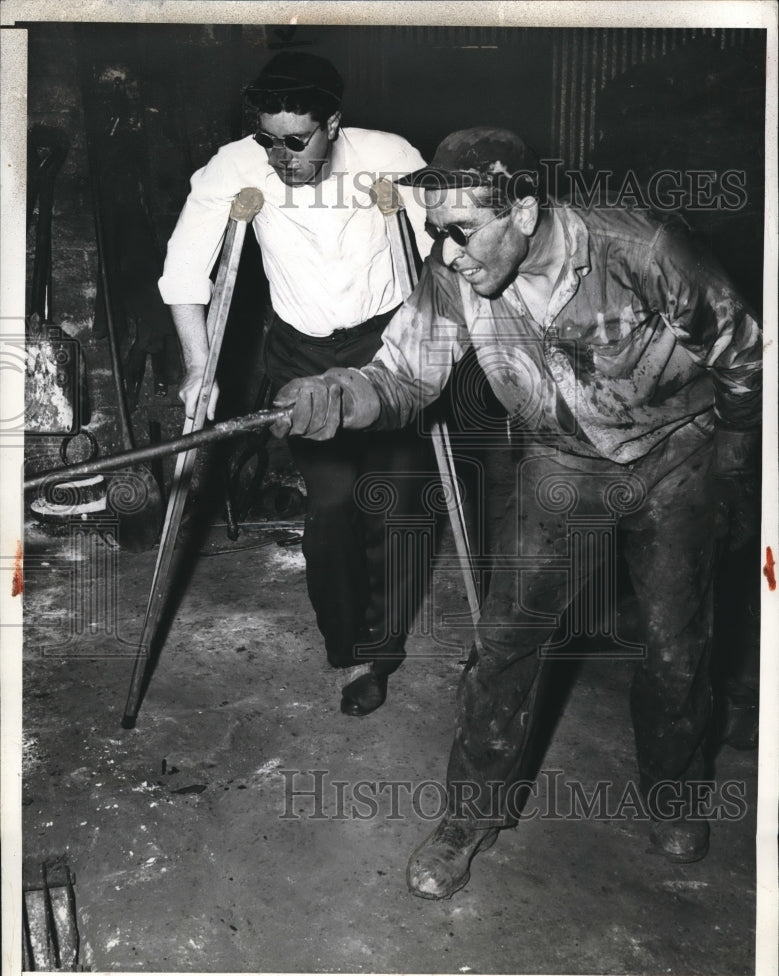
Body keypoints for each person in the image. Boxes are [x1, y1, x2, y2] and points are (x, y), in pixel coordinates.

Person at [271, 127, 762, 899]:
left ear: (524, 210)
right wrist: (339, 395)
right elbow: (403, 373)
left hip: (677, 456)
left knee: (674, 649)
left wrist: (733, 466)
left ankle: (672, 792)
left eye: (462, 232)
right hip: (561, 460)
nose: (450, 252)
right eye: (437, 233)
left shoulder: (638, 246)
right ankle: (469, 816)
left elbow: (743, 350)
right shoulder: (454, 274)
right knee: (503, 644)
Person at [159, 52, 434, 717]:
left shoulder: (390, 154)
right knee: (332, 506)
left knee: (395, 506)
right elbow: (184, 271)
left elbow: (444, 256)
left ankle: (385, 639)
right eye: (266, 139)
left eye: (295, 140)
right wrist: (199, 367)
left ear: (333, 122)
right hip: (302, 354)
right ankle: (353, 654)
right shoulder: (235, 166)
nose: (279, 155)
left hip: (386, 346)